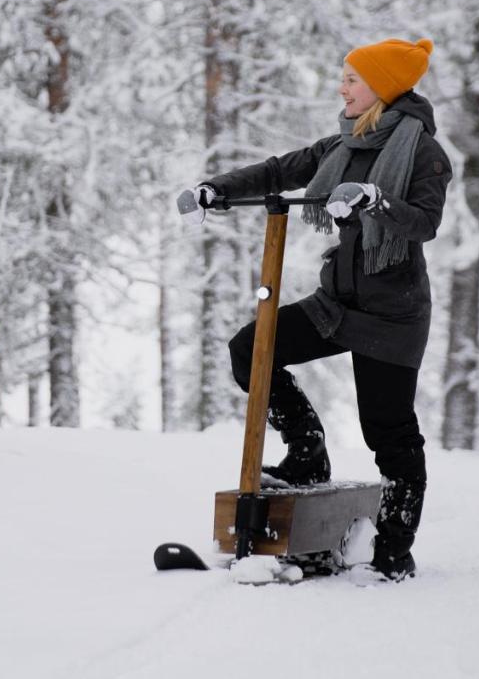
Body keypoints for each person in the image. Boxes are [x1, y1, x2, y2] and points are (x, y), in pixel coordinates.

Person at [191, 37, 452, 582]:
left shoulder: (423, 152)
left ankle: (393, 551)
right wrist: (216, 188)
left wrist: (374, 200)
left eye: (352, 79)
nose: (342, 87)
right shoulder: (345, 142)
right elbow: (281, 169)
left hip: (392, 316)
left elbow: (424, 221)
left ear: (381, 87)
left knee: (389, 433)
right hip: (338, 304)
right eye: (345, 78)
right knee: (251, 350)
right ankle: (307, 450)